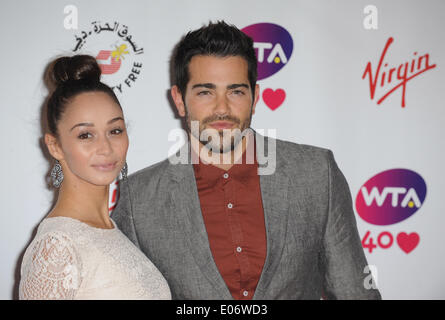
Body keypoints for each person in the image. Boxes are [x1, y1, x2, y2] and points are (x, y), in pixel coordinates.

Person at [111, 21, 381, 300]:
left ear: (255, 98)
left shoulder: (315, 173)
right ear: (180, 100)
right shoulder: (138, 199)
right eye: (205, 92)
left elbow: (355, 293)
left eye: (236, 91)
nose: (222, 108)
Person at [19, 55, 171, 300]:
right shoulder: (57, 247)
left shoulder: (112, 231)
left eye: (115, 131)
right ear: (55, 145)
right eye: (85, 135)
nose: (106, 147)